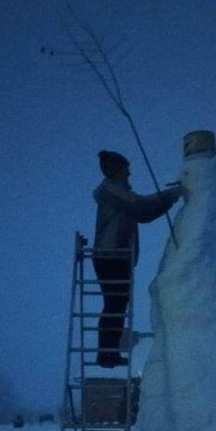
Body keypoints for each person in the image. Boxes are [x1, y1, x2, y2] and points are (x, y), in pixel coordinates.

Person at [92, 150, 184, 367]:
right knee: (114, 304)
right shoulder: (113, 190)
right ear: (117, 170)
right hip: (112, 254)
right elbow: (141, 207)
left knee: (116, 304)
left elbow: (145, 214)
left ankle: (108, 353)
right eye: (126, 169)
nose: (130, 174)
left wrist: (168, 199)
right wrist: (171, 194)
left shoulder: (115, 191)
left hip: (116, 255)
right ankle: (106, 354)